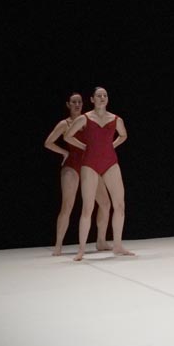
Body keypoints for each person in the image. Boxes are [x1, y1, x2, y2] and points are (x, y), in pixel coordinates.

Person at [64, 86, 134, 259]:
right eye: (99, 95)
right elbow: (67, 136)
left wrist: (111, 146)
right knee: (88, 207)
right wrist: (84, 147)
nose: (102, 98)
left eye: (105, 95)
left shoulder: (116, 119)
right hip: (90, 163)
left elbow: (124, 135)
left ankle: (117, 245)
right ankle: (81, 249)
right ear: (92, 99)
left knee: (119, 205)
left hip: (110, 162)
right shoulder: (84, 118)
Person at [43, 91, 111, 256]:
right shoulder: (64, 123)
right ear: (68, 104)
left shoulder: (88, 120)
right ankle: (58, 245)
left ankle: (101, 241)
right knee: (67, 205)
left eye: (79, 102)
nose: (77, 105)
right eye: (73, 102)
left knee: (105, 203)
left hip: (90, 166)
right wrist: (64, 152)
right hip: (72, 166)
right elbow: (48, 142)